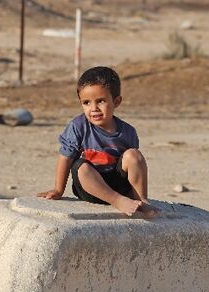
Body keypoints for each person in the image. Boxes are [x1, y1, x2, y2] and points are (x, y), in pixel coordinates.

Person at [37, 66, 159, 217]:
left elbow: (134, 167)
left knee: (134, 155)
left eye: (101, 101)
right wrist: (58, 190)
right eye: (86, 102)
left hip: (118, 185)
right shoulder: (78, 126)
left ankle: (142, 202)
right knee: (80, 166)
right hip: (90, 189)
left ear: (116, 101)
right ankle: (118, 201)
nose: (93, 108)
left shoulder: (128, 132)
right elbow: (65, 157)